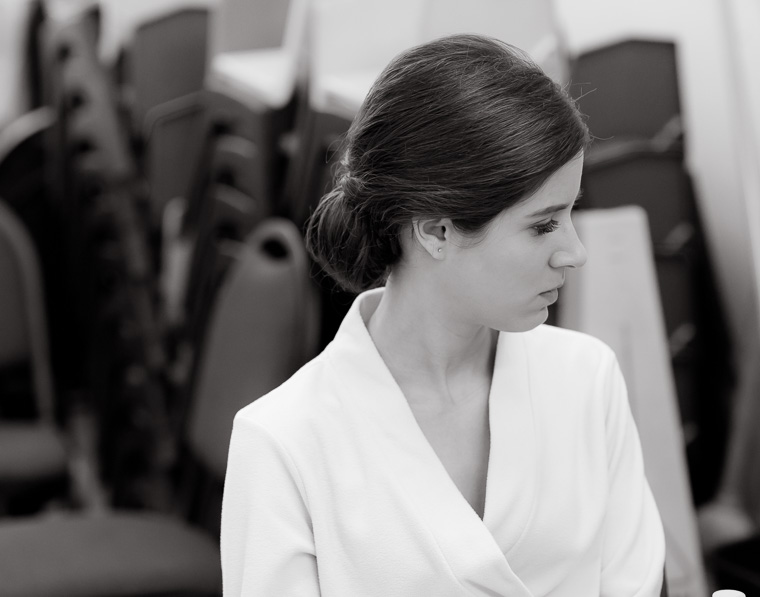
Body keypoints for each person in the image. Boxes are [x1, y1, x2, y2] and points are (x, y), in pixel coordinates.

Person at [220, 34, 666, 596]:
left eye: (571, 212)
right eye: (543, 224)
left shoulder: (587, 381)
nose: (575, 252)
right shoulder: (284, 444)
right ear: (436, 230)